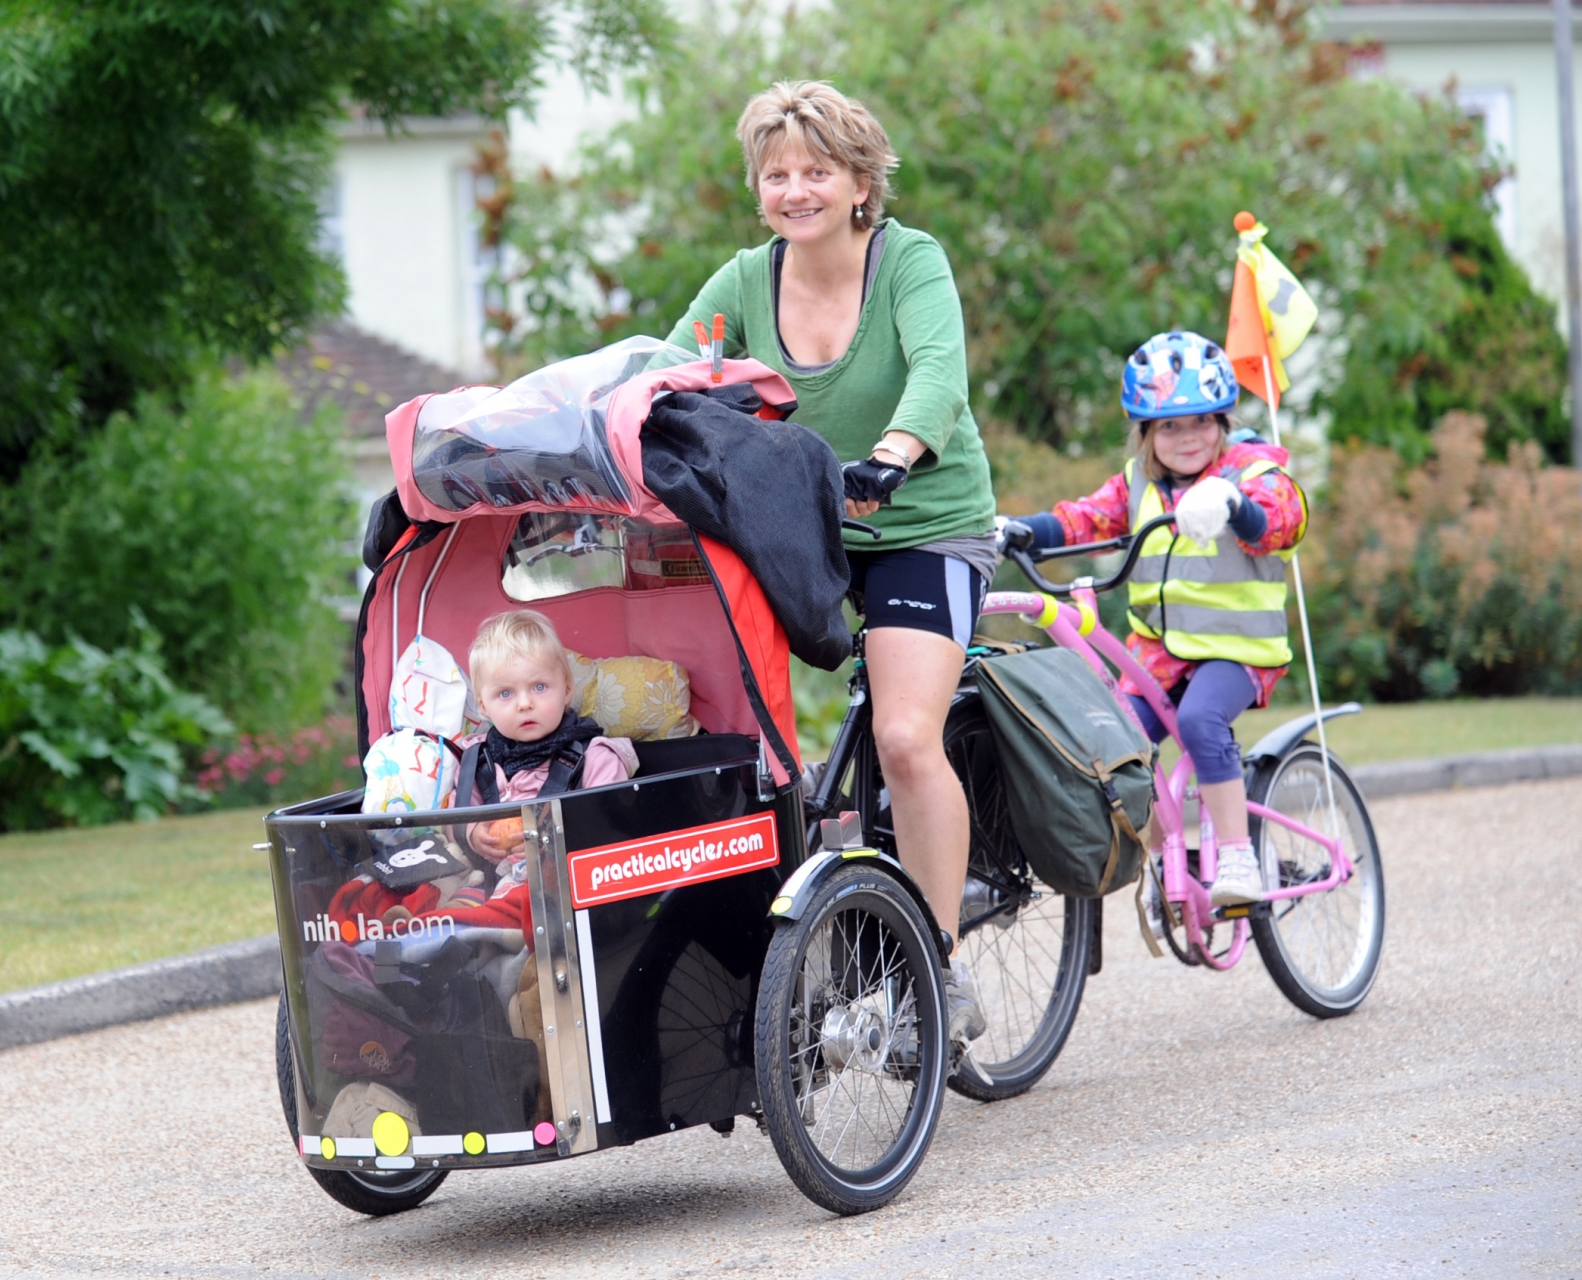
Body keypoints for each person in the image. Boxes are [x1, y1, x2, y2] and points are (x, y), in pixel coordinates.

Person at [664, 81, 998, 1041]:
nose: (795, 189)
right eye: (777, 174)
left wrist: (893, 458)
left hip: (919, 521)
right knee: (734, 744)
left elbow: (939, 374)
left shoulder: (909, 263)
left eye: (817, 170)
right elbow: (666, 376)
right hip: (797, 529)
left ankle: (939, 964)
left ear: (861, 183)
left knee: (900, 738)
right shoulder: (740, 283)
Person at [1004, 332, 1308, 905]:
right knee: (1111, 744)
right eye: (1169, 426)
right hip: (1161, 655)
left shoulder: (1251, 470)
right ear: (1145, 432)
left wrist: (1233, 506)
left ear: (1222, 421)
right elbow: (1085, 520)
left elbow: (1281, 516)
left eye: (1200, 421)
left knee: (1198, 720)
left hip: (1237, 652)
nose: (1187, 437)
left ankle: (1240, 860)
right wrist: (1021, 530)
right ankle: (1169, 859)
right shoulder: (1138, 481)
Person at [457, 609, 637, 885]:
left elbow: (609, 829)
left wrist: (549, 836)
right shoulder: (476, 760)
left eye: (539, 687)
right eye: (505, 693)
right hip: (491, 883)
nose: (525, 703)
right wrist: (472, 833)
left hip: (568, 885)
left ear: (566, 689)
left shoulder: (596, 757)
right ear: (483, 706)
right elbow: (453, 815)